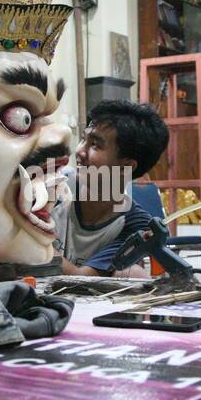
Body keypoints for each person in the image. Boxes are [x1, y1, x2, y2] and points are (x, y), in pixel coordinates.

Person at [52, 100, 169, 277]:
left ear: (125, 166)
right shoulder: (54, 187)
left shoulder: (136, 225)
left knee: (135, 274)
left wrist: (35, 244)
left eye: (95, 145)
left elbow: (81, 278)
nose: (79, 151)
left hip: (78, 300)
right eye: (84, 139)